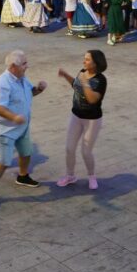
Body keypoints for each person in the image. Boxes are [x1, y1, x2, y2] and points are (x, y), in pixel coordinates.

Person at [0, 50, 48, 207]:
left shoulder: (21, 78)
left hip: (21, 126)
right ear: (13, 66)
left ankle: (23, 176)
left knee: (26, 152)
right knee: (5, 161)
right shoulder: (2, 83)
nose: (27, 66)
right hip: (6, 129)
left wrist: (38, 89)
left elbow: (29, 94)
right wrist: (14, 117)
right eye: (24, 64)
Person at [56, 50, 108, 190]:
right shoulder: (82, 72)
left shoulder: (100, 80)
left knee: (86, 151)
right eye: (84, 58)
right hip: (76, 116)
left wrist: (85, 83)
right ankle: (70, 175)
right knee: (69, 148)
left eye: (87, 59)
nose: (84, 61)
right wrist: (66, 75)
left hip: (92, 120)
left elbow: (92, 99)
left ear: (96, 63)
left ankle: (91, 176)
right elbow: (76, 86)